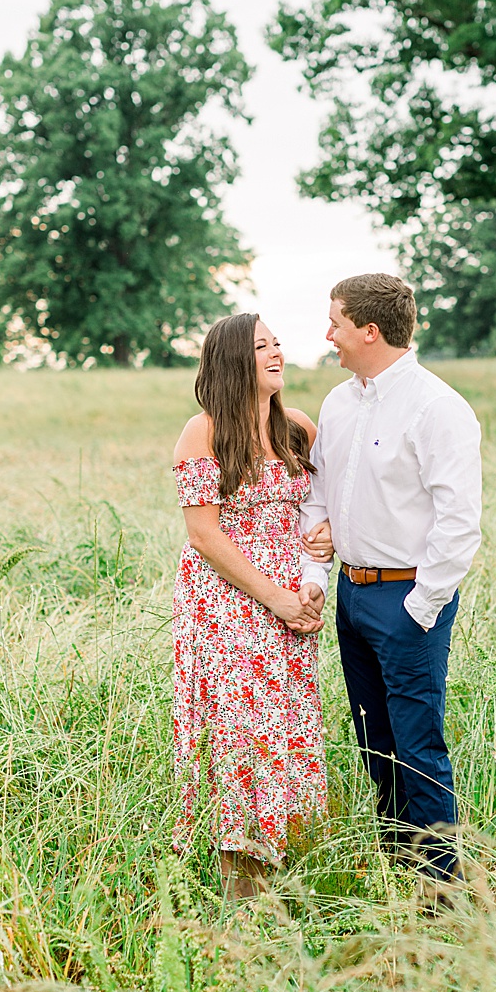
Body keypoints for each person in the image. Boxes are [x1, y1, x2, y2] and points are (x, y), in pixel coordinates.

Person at [298, 274, 482, 897]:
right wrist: (319, 557)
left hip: (408, 601)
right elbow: (318, 493)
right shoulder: (338, 402)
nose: (329, 335)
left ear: (369, 331)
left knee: (417, 742)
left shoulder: (438, 408)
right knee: (373, 737)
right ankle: (393, 868)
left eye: (336, 323)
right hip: (352, 594)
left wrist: (420, 607)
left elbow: (459, 522)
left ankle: (439, 891)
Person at [169, 313, 333, 900]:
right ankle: (240, 889)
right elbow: (204, 536)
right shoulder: (204, 431)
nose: (275, 352)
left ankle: (279, 874)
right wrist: (275, 598)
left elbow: (321, 507)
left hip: (295, 604)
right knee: (239, 735)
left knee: (285, 731)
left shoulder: (298, 428)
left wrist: (324, 544)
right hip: (228, 605)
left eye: (277, 342)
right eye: (260, 345)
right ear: (234, 360)